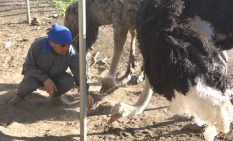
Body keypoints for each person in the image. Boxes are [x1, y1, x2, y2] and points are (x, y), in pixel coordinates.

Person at [9, 24, 93, 110]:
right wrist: (44, 78)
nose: (66, 48)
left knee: (68, 81)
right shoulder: (37, 46)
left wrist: (85, 94)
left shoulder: (71, 52)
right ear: (51, 43)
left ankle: (56, 98)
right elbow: (27, 67)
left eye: (69, 44)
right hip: (36, 77)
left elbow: (79, 73)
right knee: (27, 83)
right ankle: (19, 96)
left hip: (56, 77)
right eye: (63, 46)